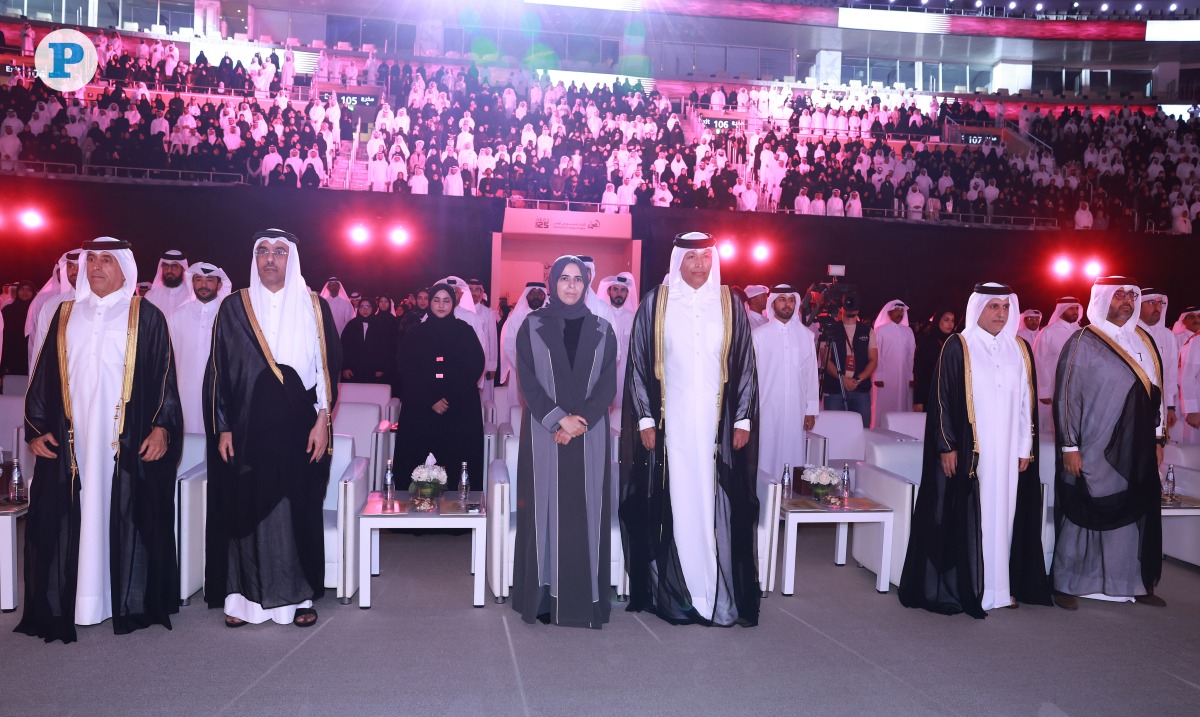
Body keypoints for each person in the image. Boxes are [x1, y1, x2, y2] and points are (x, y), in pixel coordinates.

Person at [18, 238, 183, 644]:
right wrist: (37, 429)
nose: (96, 267)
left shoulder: (146, 315)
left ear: (125, 268)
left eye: (107, 260)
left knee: (128, 514)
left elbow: (165, 378)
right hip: (72, 441)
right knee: (66, 516)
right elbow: (43, 377)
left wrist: (162, 427)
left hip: (123, 442)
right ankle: (77, 602)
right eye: (91, 259)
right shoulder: (65, 313)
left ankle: (126, 600)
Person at [620, 232, 760, 627]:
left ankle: (715, 590)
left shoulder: (730, 304)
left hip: (719, 427)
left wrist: (743, 418)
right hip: (672, 429)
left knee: (714, 503)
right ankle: (683, 593)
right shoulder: (657, 303)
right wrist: (645, 418)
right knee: (679, 503)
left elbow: (745, 361)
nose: (699, 265)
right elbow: (638, 362)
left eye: (704, 257)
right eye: (691, 258)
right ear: (677, 261)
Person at [204, 229, 341, 628]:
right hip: (246, 427)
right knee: (245, 505)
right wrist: (224, 426)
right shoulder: (234, 307)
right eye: (263, 251)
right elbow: (219, 371)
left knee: (296, 506)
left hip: (299, 425)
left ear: (292, 259)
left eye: (279, 252)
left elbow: (326, 370)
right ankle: (242, 600)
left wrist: (323, 421)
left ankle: (300, 597)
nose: (270, 259)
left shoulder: (314, 306)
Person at [899, 283, 1050, 618]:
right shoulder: (959, 345)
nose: (1000, 314)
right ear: (978, 308)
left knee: (1005, 517)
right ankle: (972, 587)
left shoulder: (1020, 348)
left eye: (1005, 307)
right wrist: (947, 445)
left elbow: (1027, 403)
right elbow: (941, 400)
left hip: (1009, 452)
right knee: (974, 517)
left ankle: (999, 589)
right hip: (971, 452)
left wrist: (1026, 447)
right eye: (993, 307)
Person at [512, 256, 618, 628]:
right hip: (545, 432)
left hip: (588, 435)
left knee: (583, 510)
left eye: (577, 279)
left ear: (586, 284)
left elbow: (607, 385)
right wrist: (560, 419)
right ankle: (543, 599)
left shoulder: (604, 329)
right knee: (545, 511)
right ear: (553, 283)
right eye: (564, 279)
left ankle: (582, 600)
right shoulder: (532, 325)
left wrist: (578, 422)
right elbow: (528, 382)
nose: (571, 286)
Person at [1051, 277, 1165, 610]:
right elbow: (1066, 396)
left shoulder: (1143, 340)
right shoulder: (1082, 340)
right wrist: (1069, 446)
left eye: (1132, 294)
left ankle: (1130, 582)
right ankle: (1066, 583)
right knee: (1084, 509)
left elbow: (1156, 391)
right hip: (1093, 441)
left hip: (1137, 444)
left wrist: (1158, 437)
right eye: (1119, 295)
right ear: (1102, 300)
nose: (1127, 301)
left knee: (1133, 508)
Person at [393, 283, 485, 489]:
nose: (441, 305)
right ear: (429, 302)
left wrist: (448, 397)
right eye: (436, 300)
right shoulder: (416, 332)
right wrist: (431, 399)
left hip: (457, 409)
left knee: (458, 460)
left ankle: (459, 512)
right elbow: (406, 366)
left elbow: (474, 365)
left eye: (446, 301)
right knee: (412, 459)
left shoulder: (465, 331)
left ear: (453, 303)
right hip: (421, 408)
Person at [753, 284, 819, 477]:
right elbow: (752, 376)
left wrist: (811, 410)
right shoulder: (758, 336)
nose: (787, 304)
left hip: (796, 409)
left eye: (791, 300)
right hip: (767, 408)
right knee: (766, 454)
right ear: (773, 303)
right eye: (782, 299)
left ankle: (790, 499)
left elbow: (811, 374)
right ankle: (765, 498)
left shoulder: (806, 336)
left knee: (793, 454)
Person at [167, 262, 232, 434]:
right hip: (183, 396)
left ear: (219, 285)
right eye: (198, 280)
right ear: (192, 283)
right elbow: (168, 360)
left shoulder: (230, 317)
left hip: (220, 399)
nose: (203, 285)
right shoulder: (176, 316)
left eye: (209, 280)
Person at [821, 294, 877, 427]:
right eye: (848, 304)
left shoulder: (867, 330)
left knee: (862, 431)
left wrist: (857, 380)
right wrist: (843, 379)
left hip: (860, 390)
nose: (851, 308)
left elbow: (873, 360)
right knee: (834, 430)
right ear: (842, 307)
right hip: (835, 389)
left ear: (858, 309)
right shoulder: (830, 329)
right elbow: (825, 359)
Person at [596, 272, 638, 429]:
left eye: (623, 290)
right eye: (615, 289)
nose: (619, 294)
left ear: (627, 293)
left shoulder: (634, 317)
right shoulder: (600, 315)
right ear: (608, 291)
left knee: (622, 413)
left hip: (626, 373)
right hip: (604, 371)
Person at [1032, 297, 1082, 431]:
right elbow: (1039, 362)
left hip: (1078, 389)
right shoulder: (1048, 332)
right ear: (1061, 310)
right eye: (1071, 308)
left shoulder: (1081, 332)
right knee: (1052, 429)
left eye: (1076, 308)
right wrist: (1043, 391)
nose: (1075, 311)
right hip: (1054, 389)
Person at [28, 252, 80, 367]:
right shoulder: (52, 304)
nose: (75, 271)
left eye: (81, 266)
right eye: (70, 266)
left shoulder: (102, 303)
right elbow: (39, 346)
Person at [1138, 290, 1178, 437]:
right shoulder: (1129, 332)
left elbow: (1171, 374)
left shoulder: (1168, 335)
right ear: (1139, 306)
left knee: (1158, 451)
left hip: (1160, 407)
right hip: (1136, 405)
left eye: (1160, 303)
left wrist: (1170, 407)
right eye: (1151, 303)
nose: (1157, 307)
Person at [499, 282, 547, 402]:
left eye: (539, 293)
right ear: (526, 295)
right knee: (517, 409)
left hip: (545, 373)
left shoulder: (552, 318)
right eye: (532, 293)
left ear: (545, 296)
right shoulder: (515, 319)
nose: (536, 296)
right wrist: (522, 367)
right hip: (519, 372)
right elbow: (508, 346)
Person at [872, 300, 915, 424]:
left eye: (902, 311)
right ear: (889, 312)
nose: (900, 313)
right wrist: (878, 375)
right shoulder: (880, 330)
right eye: (897, 310)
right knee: (884, 405)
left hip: (904, 376)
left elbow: (911, 355)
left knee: (903, 404)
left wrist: (911, 375)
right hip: (885, 378)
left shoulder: (908, 331)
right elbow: (876, 354)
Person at [912, 309, 957, 412]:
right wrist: (918, 400)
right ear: (937, 321)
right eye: (946, 320)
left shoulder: (955, 342)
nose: (950, 324)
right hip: (930, 393)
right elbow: (919, 372)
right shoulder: (927, 342)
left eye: (952, 320)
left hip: (951, 394)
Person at [340, 296, 390, 383]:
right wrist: (345, 367)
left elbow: (384, 348)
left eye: (368, 307)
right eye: (362, 307)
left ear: (372, 308)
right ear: (358, 309)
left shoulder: (379, 325)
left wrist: (381, 367)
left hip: (373, 369)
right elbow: (344, 347)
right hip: (353, 369)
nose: (365, 309)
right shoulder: (351, 325)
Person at [0, 280, 34, 377]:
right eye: (22, 289)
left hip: (30, 351)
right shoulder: (8, 310)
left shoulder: (37, 310)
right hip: (12, 353)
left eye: (28, 290)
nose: (25, 292)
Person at [143, 249, 190, 316]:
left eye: (174, 266)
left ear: (183, 269)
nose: (169, 271)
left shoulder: (191, 295)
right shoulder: (151, 296)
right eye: (165, 266)